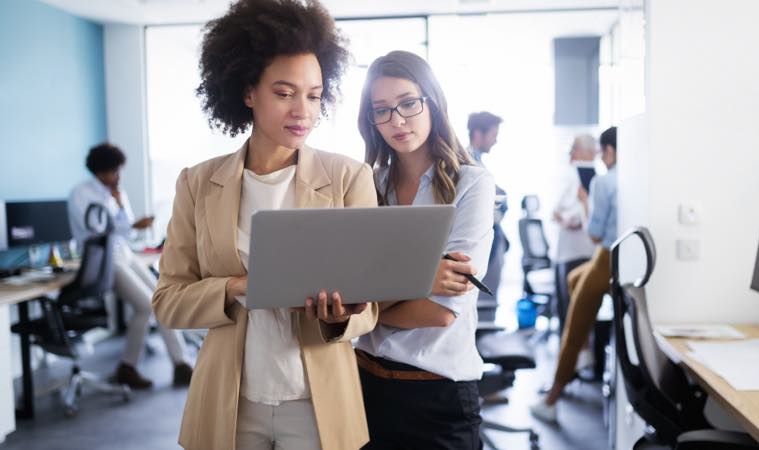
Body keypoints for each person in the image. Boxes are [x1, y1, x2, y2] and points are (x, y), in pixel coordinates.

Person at [151, 1, 379, 449]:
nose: (303, 111)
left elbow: (369, 308)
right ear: (248, 92)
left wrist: (340, 317)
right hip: (230, 402)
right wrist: (238, 285)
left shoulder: (349, 178)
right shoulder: (198, 184)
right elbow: (168, 301)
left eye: (313, 95)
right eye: (283, 92)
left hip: (318, 402)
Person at [355, 50, 495, 450]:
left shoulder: (472, 184)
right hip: (364, 385)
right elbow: (349, 291)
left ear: (432, 100)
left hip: (438, 394)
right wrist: (422, 276)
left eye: (408, 103)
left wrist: (367, 308)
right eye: (381, 110)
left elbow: (438, 311)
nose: (397, 120)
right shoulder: (368, 185)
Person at [68, 143, 193, 389]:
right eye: (113, 171)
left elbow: (127, 235)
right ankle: (128, 367)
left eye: (118, 171)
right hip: (104, 260)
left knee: (163, 298)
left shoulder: (117, 192)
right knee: (145, 306)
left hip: (124, 254)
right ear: (100, 171)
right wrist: (130, 223)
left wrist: (121, 206)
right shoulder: (81, 194)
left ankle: (181, 364)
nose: (118, 176)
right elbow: (96, 229)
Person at [530, 126, 618, 423]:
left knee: (572, 326)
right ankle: (585, 352)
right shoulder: (633, 179)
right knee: (573, 280)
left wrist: (584, 205)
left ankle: (551, 399)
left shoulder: (604, 183)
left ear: (607, 152)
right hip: (618, 259)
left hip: (604, 257)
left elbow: (595, 234)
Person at [552, 135, 598, 361]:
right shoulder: (574, 174)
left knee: (574, 312)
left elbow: (560, 210)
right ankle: (572, 362)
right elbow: (556, 211)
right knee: (572, 312)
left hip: (579, 251)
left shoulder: (585, 175)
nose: (572, 153)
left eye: (575, 149)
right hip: (575, 251)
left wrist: (572, 215)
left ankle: (576, 362)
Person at [467, 111, 508, 300]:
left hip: (491, 237)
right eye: (493, 135)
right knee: (483, 297)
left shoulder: (478, 163)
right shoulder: (469, 165)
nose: (496, 140)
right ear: (478, 134)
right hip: (482, 238)